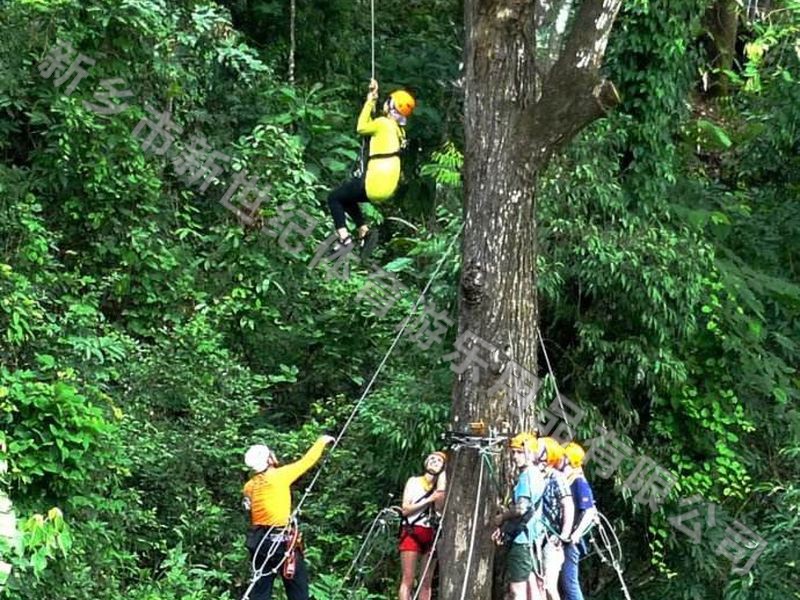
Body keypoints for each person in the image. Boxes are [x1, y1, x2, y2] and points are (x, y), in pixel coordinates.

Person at [242, 435, 335, 600]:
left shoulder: (249, 486)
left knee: (260, 591)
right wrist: (321, 442)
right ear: (269, 460)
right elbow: (306, 461)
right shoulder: (279, 476)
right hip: (280, 540)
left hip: (258, 541)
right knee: (298, 591)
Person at [327, 78, 415, 251]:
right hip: (387, 189)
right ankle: (363, 230)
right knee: (348, 197)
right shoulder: (400, 131)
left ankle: (344, 239)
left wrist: (369, 101)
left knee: (334, 198)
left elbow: (361, 128)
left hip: (373, 184)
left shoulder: (383, 124)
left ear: (391, 107)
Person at [491, 432, 546, 600]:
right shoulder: (536, 474)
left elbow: (521, 509)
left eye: (519, 452)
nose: (515, 456)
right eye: (513, 452)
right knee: (533, 586)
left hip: (523, 540)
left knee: (517, 590)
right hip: (532, 538)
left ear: (530, 452)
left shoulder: (527, 476)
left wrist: (502, 518)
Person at [396, 451, 447, 600]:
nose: (434, 461)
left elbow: (439, 507)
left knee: (426, 581)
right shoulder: (414, 482)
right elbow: (405, 509)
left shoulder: (440, 488)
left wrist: (442, 478)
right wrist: (428, 499)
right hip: (411, 531)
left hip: (430, 534)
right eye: (431, 459)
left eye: (438, 461)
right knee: (408, 579)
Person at [535, 437, 575, 600]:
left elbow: (568, 505)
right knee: (538, 585)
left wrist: (564, 534)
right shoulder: (536, 475)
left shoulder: (557, 477)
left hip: (552, 538)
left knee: (550, 586)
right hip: (537, 536)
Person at [559, 442, 597, 600]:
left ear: (569, 460)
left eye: (563, 456)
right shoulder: (567, 480)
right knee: (563, 584)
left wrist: (576, 534)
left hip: (571, 541)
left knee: (569, 583)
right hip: (564, 538)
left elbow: (589, 511)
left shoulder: (578, 482)